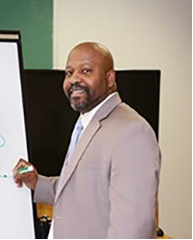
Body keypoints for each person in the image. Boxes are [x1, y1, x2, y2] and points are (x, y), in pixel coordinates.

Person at [13, 42, 161, 238]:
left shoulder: (132, 132)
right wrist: (36, 182)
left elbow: (132, 231)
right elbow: (80, 189)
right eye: (69, 72)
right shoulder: (85, 123)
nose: (74, 79)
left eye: (86, 70)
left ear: (109, 78)